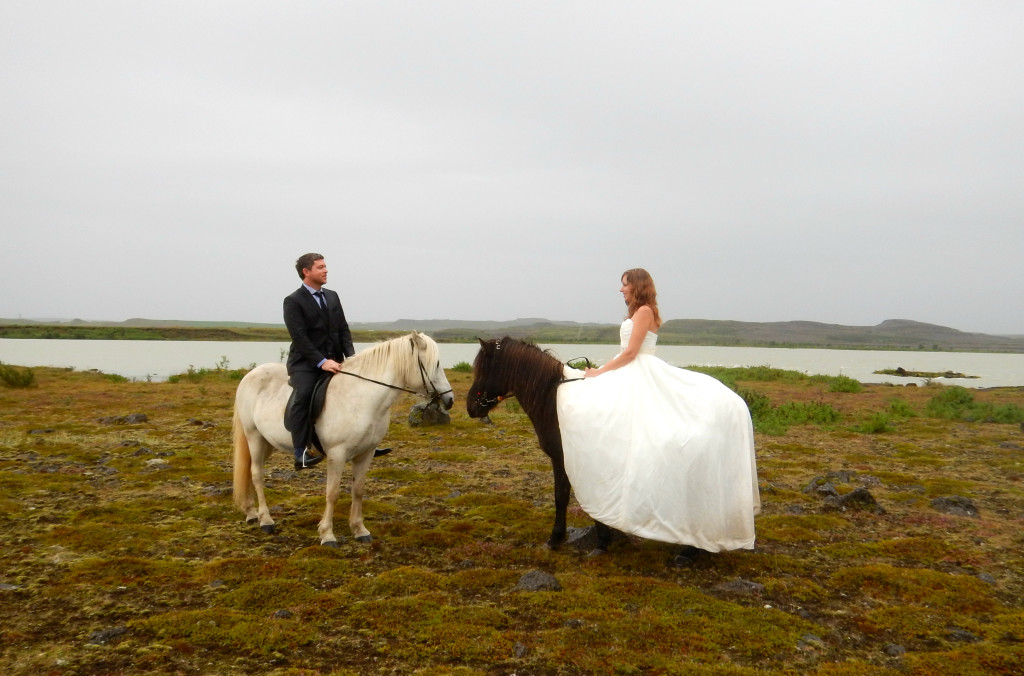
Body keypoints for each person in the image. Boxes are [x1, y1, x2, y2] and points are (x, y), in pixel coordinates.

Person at [556, 268, 761, 552]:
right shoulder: (639, 311)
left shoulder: (644, 311)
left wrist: (599, 372)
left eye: (624, 285)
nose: (620, 290)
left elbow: (631, 353)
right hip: (631, 370)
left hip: (640, 370)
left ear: (637, 286)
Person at [283, 253, 355, 470]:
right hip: (305, 364)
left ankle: (362, 444)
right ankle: (301, 452)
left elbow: (343, 329)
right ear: (306, 272)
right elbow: (300, 338)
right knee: (303, 395)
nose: (326, 271)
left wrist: (351, 357)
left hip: (336, 361)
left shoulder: (332, 296)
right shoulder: (293, 301)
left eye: (325, 267)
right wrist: (321, 361)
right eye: (320, 267)